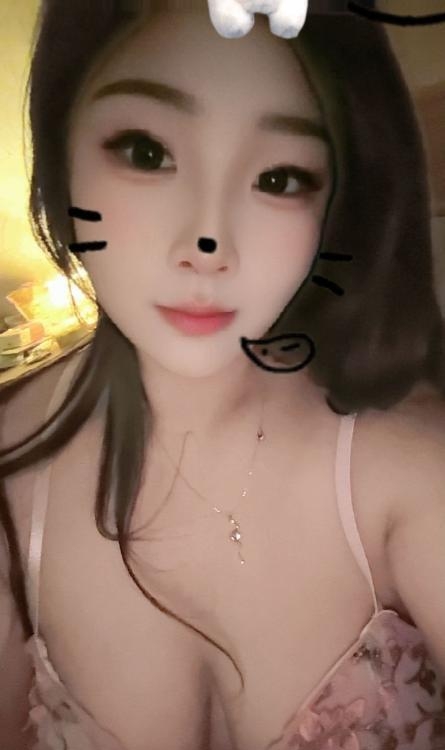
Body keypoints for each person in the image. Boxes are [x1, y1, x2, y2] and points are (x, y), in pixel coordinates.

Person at [1, 1, 444, 748]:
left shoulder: (407, 469)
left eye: (278, 177)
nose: (208, 243)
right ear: (61, 145)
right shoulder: (12, 481)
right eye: (146, 152)